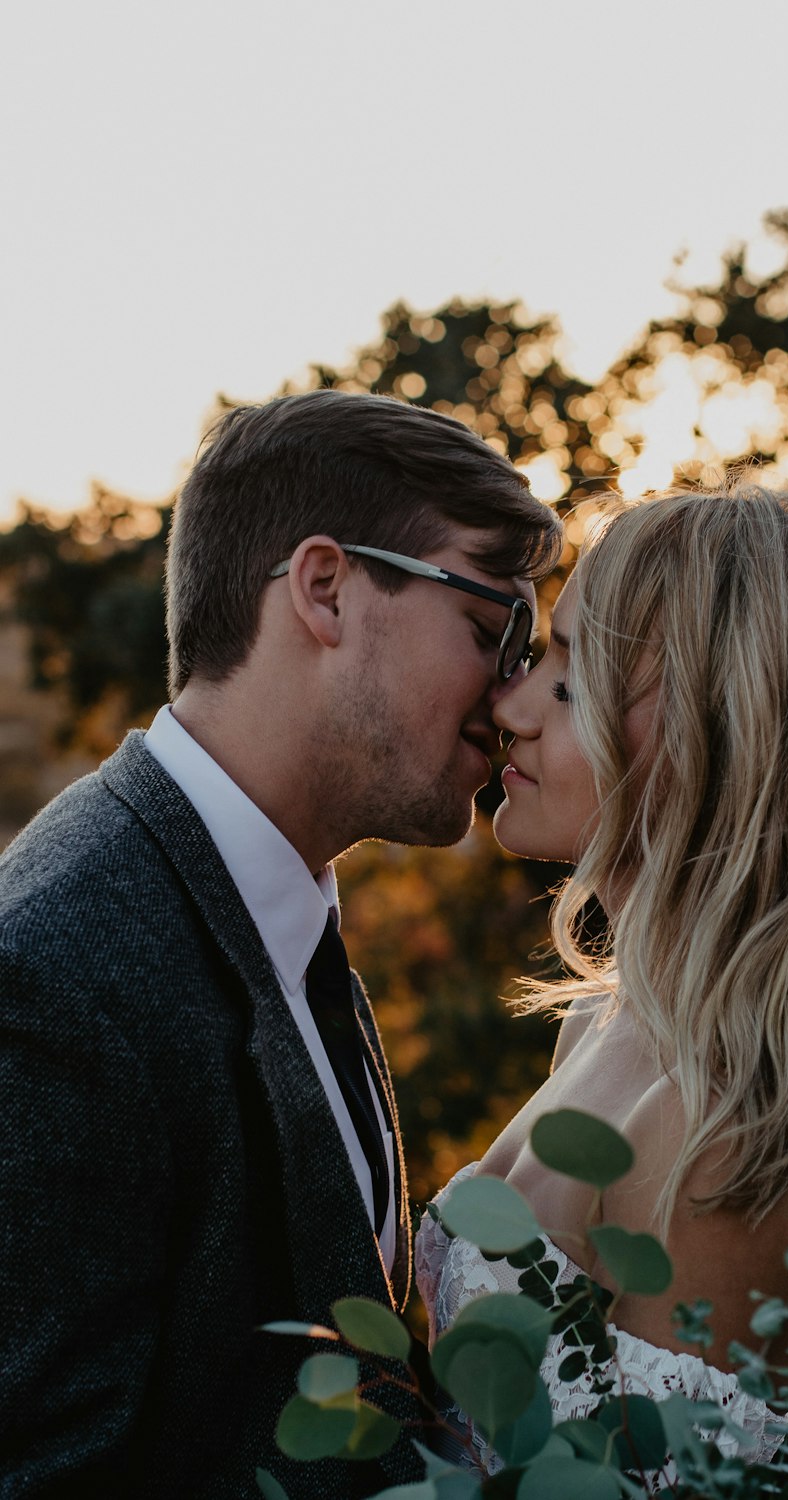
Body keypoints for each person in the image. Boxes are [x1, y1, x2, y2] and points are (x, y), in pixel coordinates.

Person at [0, 389, 562, 1498]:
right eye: (496, 628)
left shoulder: (269, 899)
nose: (512, 693)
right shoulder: (54, 977)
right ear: (325, 588)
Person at [416, 484, 788, 1478]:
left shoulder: (760, 1105)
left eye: (569, 678)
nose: (510, 707)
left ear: (713, 734)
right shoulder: (604, 1026)